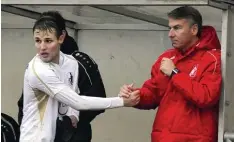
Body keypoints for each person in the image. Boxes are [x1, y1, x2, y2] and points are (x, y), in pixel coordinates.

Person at [19, 15, 140, 142]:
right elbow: (78, 101)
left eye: (48, 41)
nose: (42, 47)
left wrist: (73, 115)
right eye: (38, 41)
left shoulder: (72, 63)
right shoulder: (39, 70)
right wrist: (122, 101)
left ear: (61, 38)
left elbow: (72, 93)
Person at [119, 6, 222, 142]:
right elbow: (154, 93)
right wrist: (136, 95)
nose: (171, 34)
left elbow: (206, 97)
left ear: (194, 30)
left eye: (177, 28)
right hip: (163, 137)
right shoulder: (167, 57)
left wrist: (174, 73)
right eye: (170, 28)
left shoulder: (213, 58)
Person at [17, 11, 107, 142]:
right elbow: (24, 104)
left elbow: (98, 98)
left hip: (74, 135)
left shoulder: (80, 63)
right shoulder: (37, 65)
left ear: (61, 35)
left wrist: (73, 118)